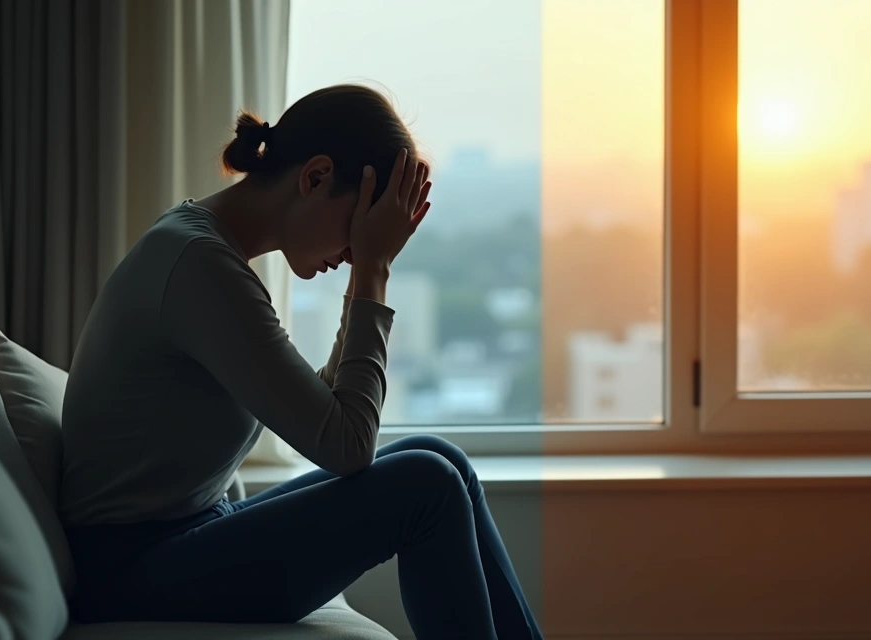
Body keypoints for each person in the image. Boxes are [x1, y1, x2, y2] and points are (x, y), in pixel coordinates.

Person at [59, 84, 542, 640]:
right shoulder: (198, 267)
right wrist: (373, 272)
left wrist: (367, 266)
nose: (353, 252)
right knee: (425, 483)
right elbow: (346, 447)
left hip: (184, 536)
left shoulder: (204, 250)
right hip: (130, 569)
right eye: (358, 229)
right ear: (314, 178)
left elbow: (320, 414)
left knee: (438, 456)